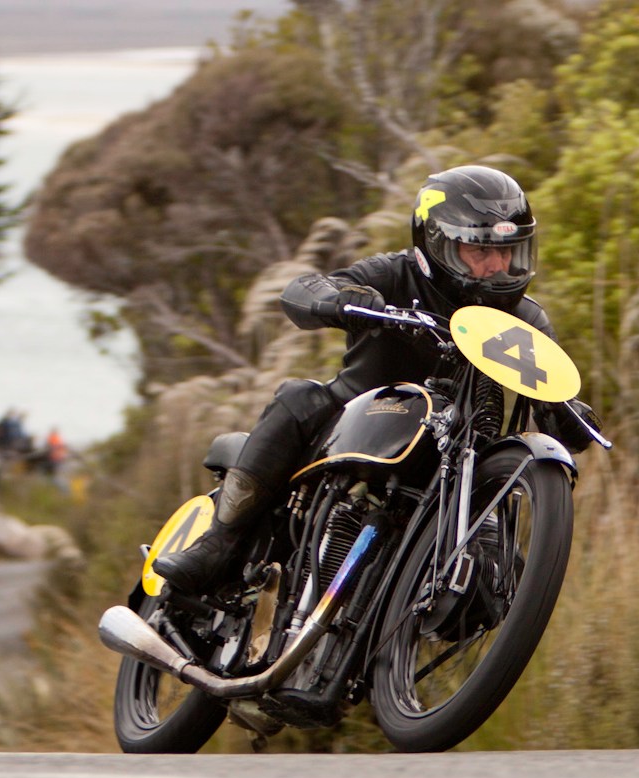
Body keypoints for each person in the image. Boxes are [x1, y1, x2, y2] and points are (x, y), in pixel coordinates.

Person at [153, 164, 599, 594]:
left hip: (455, 463)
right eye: (481, 251)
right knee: (297, 397)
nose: (497, 266)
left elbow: (554, 398)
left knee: (498, 582)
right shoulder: (393, 273)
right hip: (354, 422)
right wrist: (340, 299)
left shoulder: (525, 318)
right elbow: (304, 290)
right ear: (438, 242)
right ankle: (219, 542)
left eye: (507, 251)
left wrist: (565, 412)